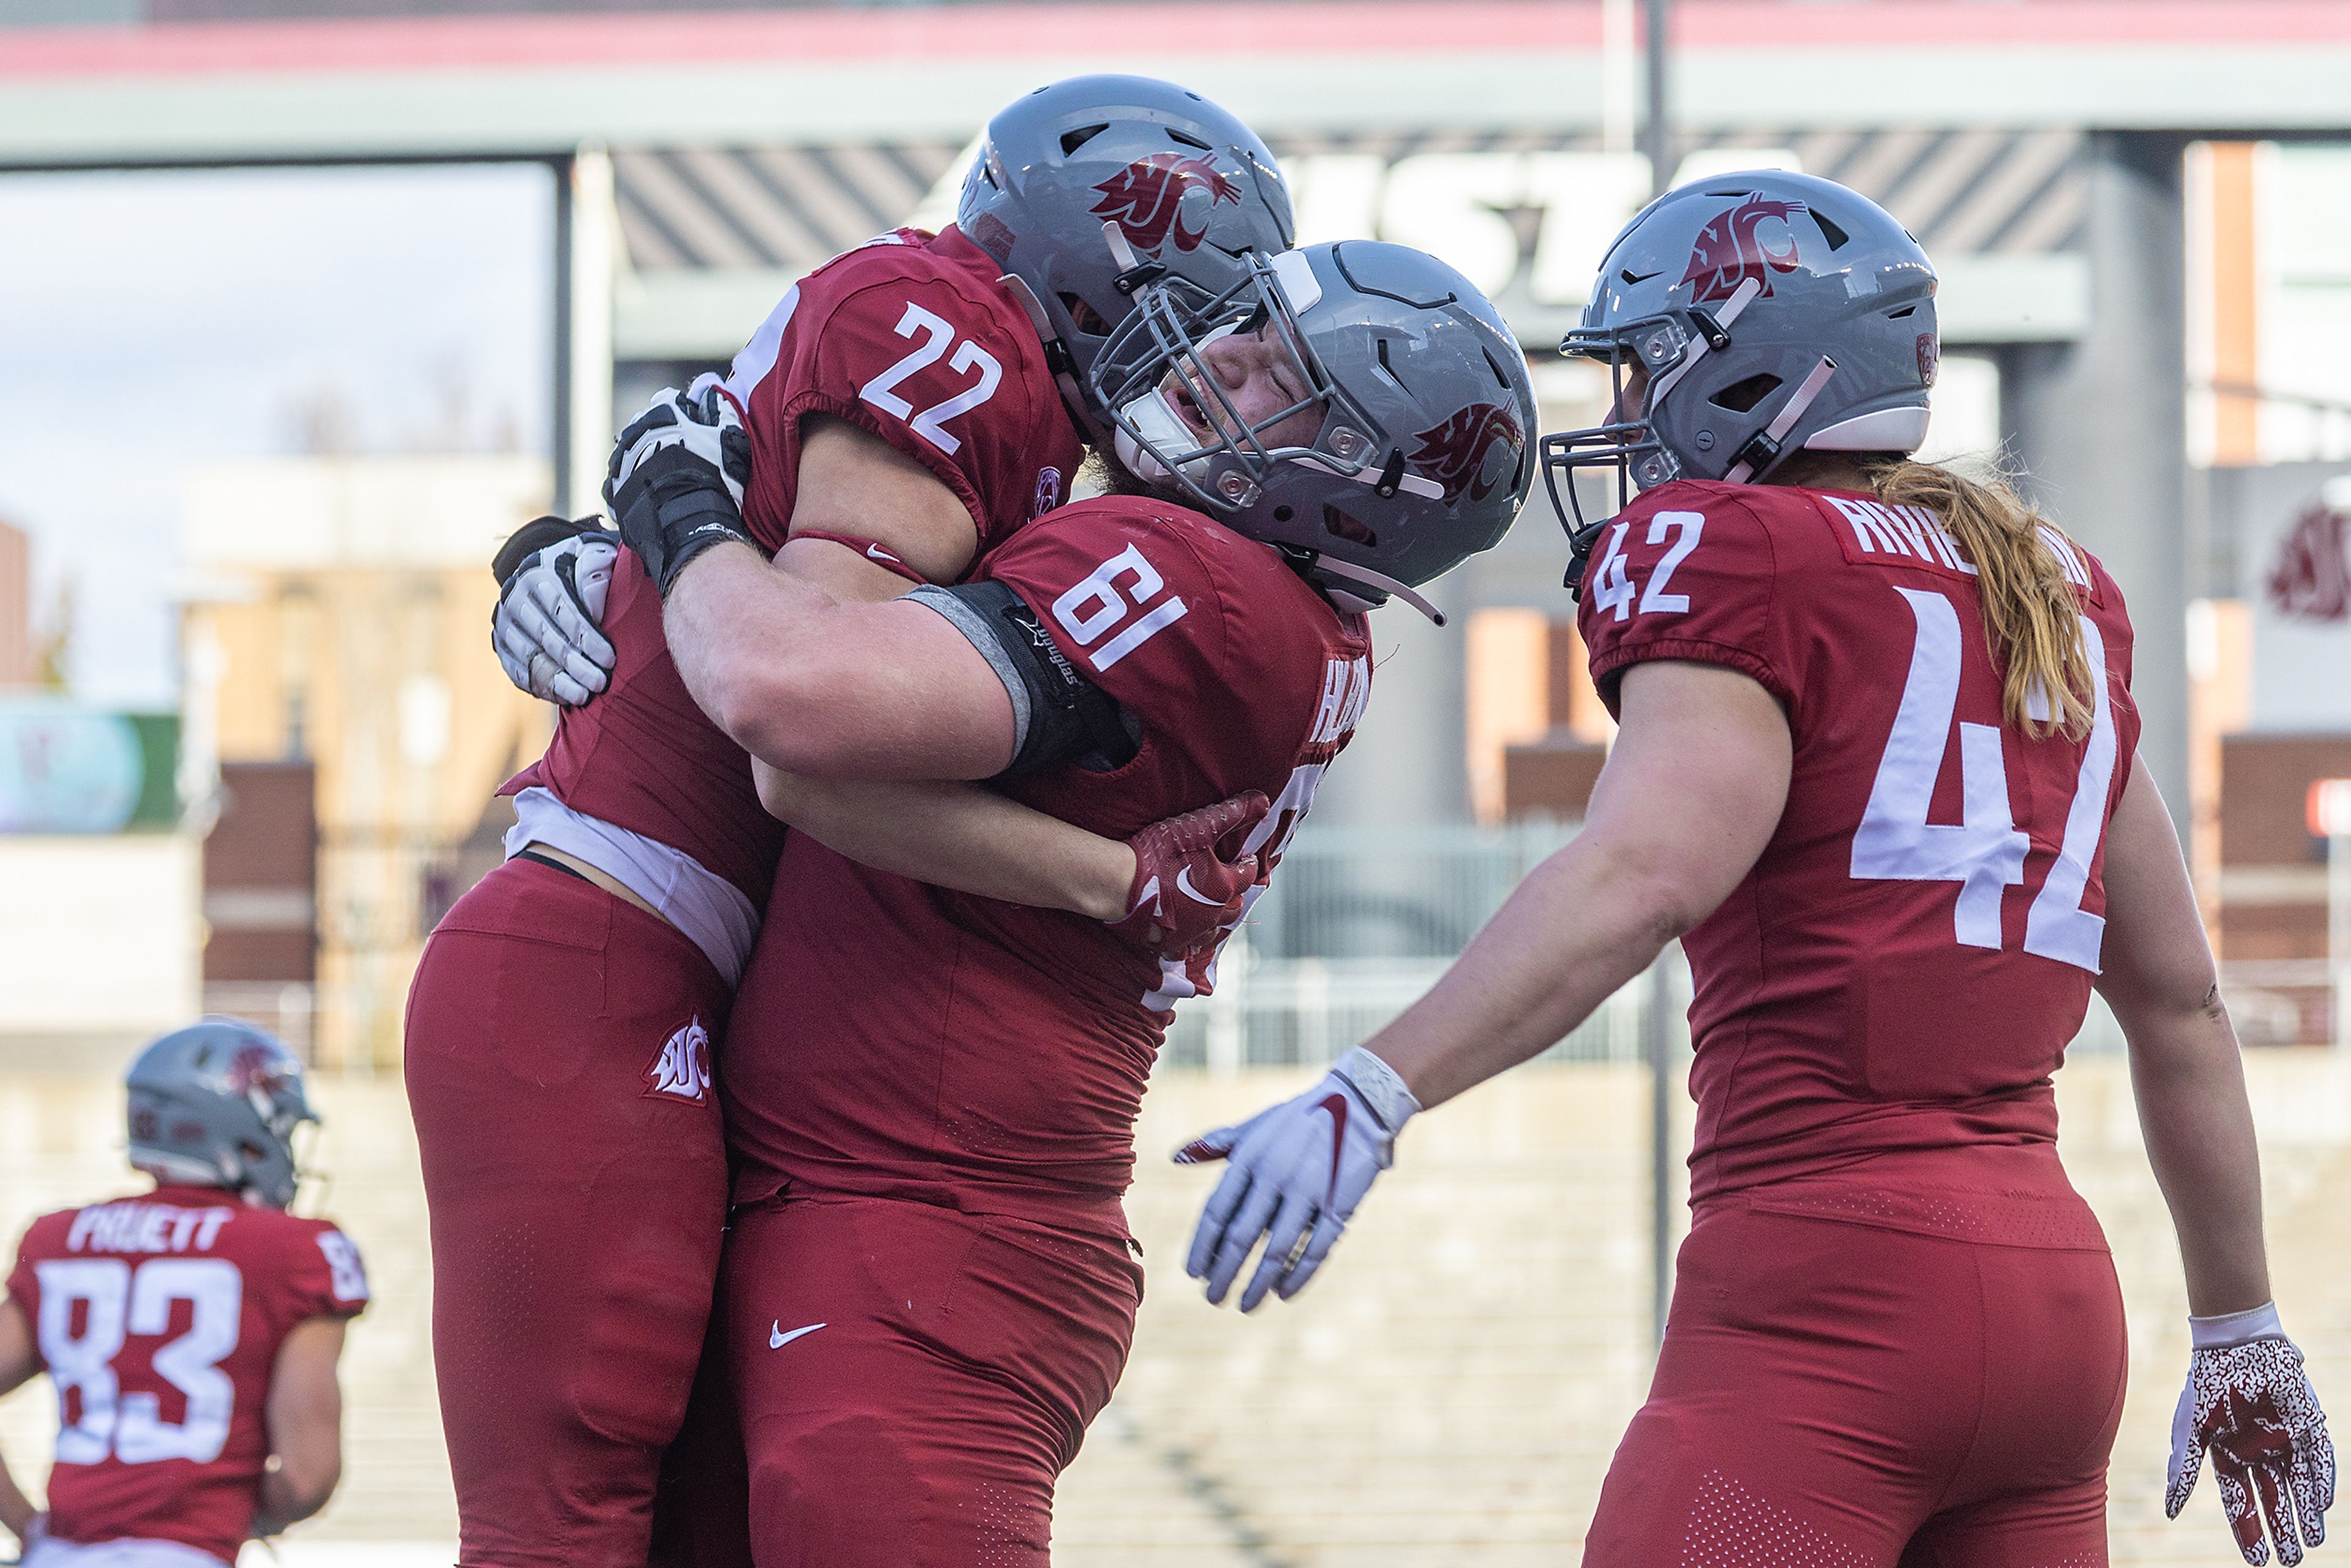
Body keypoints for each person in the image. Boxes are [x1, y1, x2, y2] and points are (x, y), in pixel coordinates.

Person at [1178, 170, 2337, 1568]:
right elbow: (2178, 1000)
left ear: (1751, 368)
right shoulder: (2045, 582)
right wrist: (2238, 1319)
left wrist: (1378, 1081)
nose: (1618, 420)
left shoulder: (1734, 549)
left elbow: (1644, 870)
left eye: (1641, 372)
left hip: (1825, 1292)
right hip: (2047, 1303)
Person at [405, 74, 1295, 1568]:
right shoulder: (961, 335)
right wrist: (1105, 876)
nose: (1209, 360)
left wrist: (635, 533)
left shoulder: (992, 364)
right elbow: (800, 707)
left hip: (674, 965)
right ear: (1106, 261)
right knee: (562, 1529)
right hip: (611, 945)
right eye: (1206, 310)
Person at [603, 235, 1537, 1565]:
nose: (1220, 356)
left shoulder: (1194, 578)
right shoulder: (1277, 611)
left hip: (925, 1215)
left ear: (1364, 489)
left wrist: (682, 513)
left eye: (1283, 373)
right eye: (1250, 325)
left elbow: (796, 716)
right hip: (917, 1199)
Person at [0, 1020, 367, 1568]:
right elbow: (306, 1475)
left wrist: (28, 1525)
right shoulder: (293, 1251)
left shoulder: (58, 1239)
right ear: (236, 1128)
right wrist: (240, 1517)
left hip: (62, 1554)